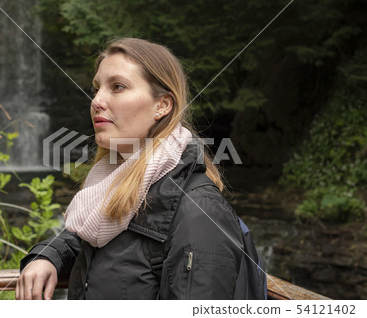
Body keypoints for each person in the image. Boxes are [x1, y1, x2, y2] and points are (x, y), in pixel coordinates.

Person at [15, 37, 247, 300]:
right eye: (96, 89)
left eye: (118, 87)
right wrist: (47, 256)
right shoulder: (114, 182)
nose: (97, 101)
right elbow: (88, 232)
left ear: (163, 105)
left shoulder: (201, 210)